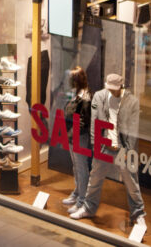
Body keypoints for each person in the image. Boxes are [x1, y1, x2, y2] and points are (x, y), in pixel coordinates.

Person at [70, 74, 145, 230]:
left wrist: (128, 150)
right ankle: (88, 208)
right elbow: (95, 123)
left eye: (113, 89)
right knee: (95, 178)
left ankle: (138, 214)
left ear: (121, 87)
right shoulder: (99, 96)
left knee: (131, 183)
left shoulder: (132, 102)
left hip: (122, 148)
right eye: (108, 88)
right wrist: (94, 144)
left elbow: (133, 129)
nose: (110, 91)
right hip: (104, 145)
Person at [61, 67, 91, 213]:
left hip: (79, 136)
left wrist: (71, 134)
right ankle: (77, 192)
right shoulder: (75, 94)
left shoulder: (85, 98)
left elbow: (83, 121)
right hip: (73, 135)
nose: (69, 81)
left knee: (81, 167)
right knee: (76, 166)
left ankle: (82, 200)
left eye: (71, 79)